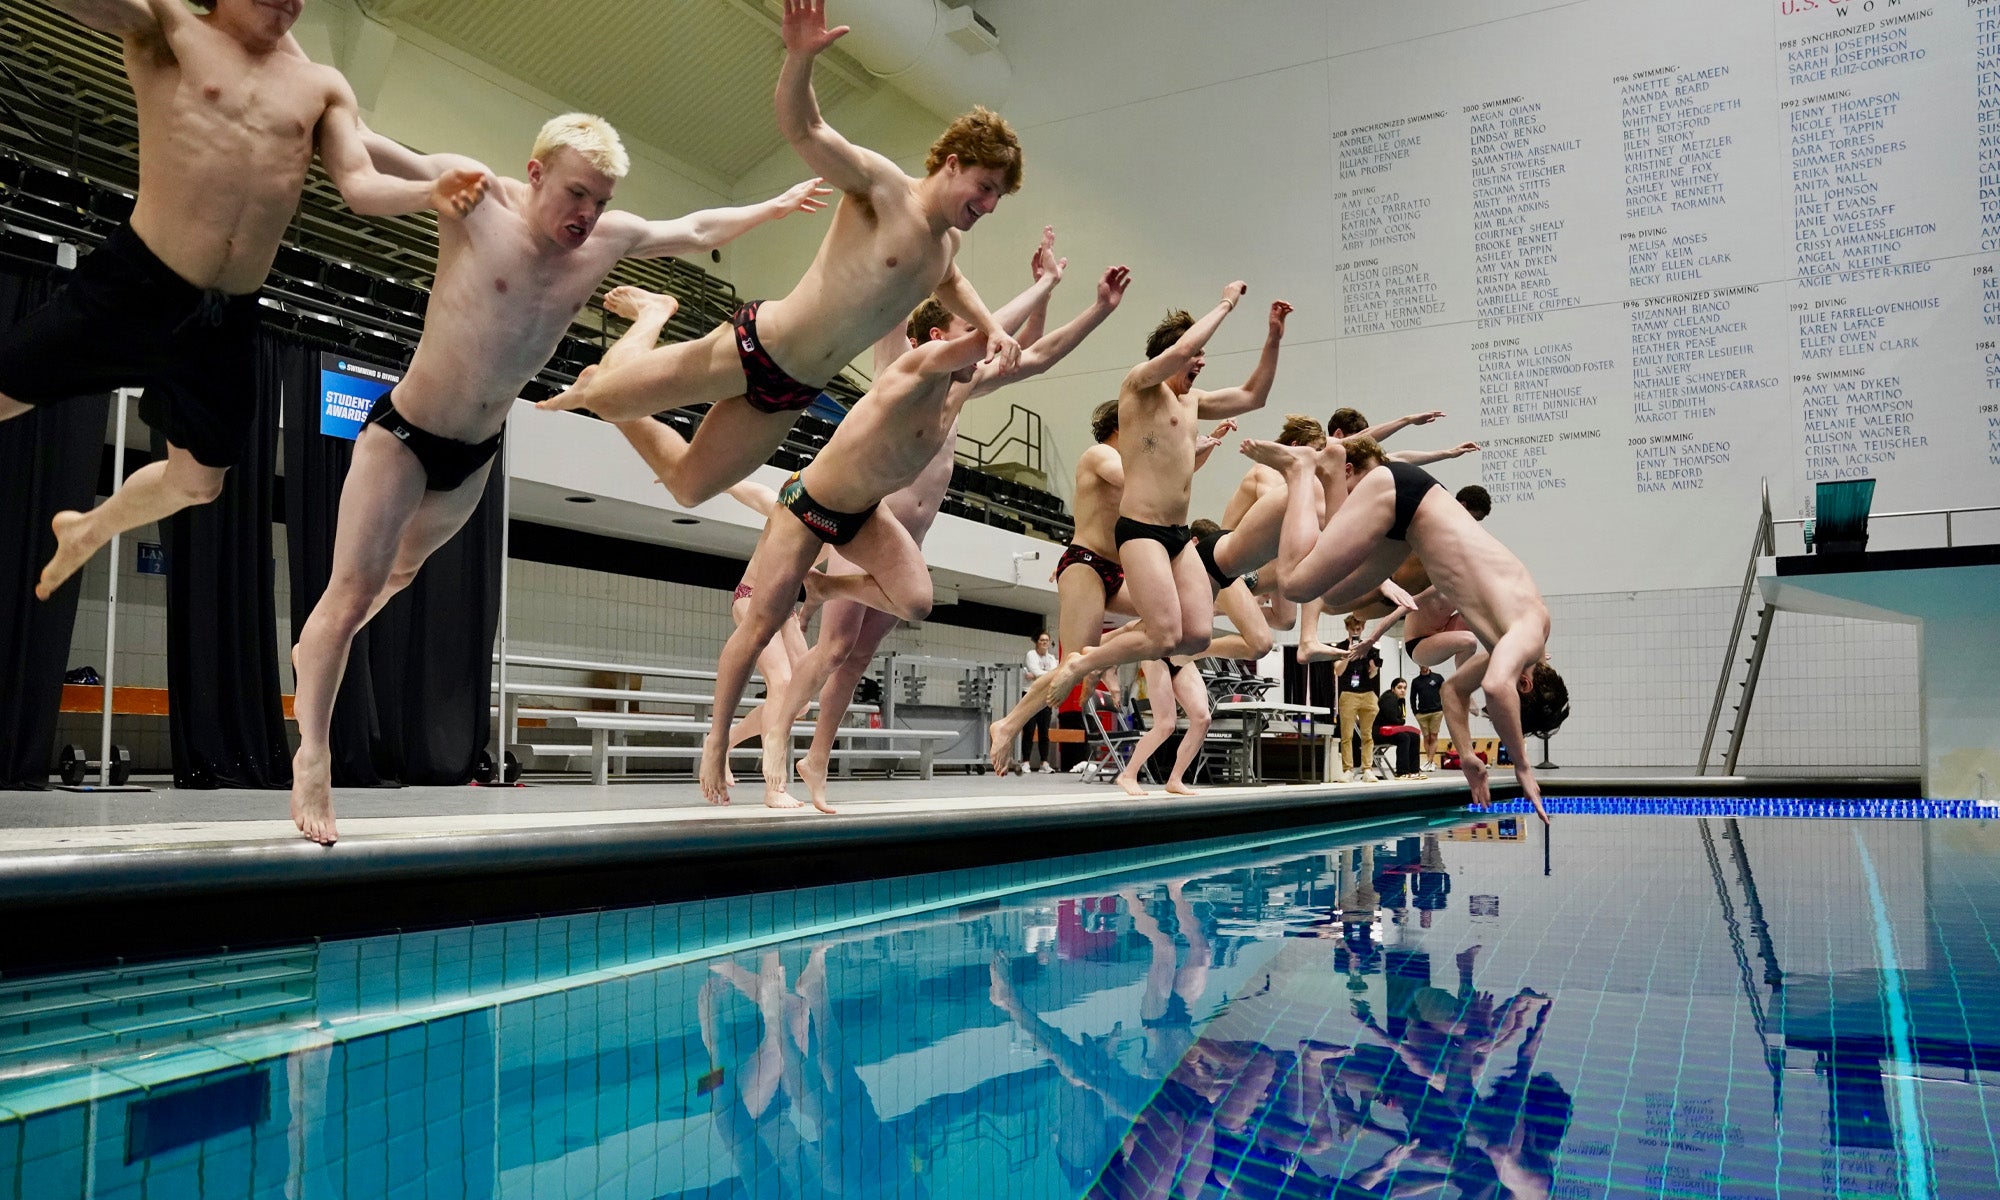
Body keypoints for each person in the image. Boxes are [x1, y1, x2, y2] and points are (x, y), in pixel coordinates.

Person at [287, 114, 830, 843]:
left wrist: (770, 208)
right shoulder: (477, 196)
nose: (588, 215)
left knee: (403, 573)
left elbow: (698, 227)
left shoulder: (607, 237)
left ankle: (320, 645)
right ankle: (313, 758)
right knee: (349, 594)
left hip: (476, 454)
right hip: (405, 437)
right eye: (577, 194)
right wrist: (325, 108)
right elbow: (371, 146)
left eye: (601, 200)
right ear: (536, 173)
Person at [1, 0, 488, 603]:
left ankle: (90, 529)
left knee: (200, 482)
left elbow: (359, 185)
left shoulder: (321, 85)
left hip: (225, 318)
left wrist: (427, 192)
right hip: (136, 285)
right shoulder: (170, 25)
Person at [535, 0, 1024, 509]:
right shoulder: (883, 188)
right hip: (758, 346)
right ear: (952, 164)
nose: (988, 205)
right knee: (603, 399)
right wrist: (800, 58)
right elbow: (805, 128)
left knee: (689, 487)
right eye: (984, 187)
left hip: (797, 389)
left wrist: (992, 328)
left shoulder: (947, 246)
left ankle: (606, 386)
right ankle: (651, 317)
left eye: (998, 197)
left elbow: (953, 283)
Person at [703, 254, 1077, 807]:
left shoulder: (955, 392)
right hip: (828, 504)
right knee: (807, 641)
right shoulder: (900, 363)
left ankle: (814, 755)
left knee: (871, 640)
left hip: (878, 528)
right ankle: (743, 740)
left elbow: (1029, 352)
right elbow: (968, 326)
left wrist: (1066, 296)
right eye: (966, 329)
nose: (979, 339)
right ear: (934, 336)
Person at [990, 288, 1292, 772]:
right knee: (1084, 661)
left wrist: (1273, 337)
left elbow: (1254, 396)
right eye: (1196, 357)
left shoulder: (1190, 404)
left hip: (1168, 539)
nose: (1200, 366)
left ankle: (1114, 645)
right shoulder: (1133, 397)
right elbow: (1141, 471)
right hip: (1101, 556)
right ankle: (1010, 724)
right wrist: (1225, 306)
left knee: (1190, 636)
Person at [1241, 436, 1569, 821]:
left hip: (1410, 522)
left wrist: (1465, 755)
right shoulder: (1532, 634)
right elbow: (1497, 689)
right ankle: (1300, 472)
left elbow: (1453, 690)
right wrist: (1522, 764)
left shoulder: (1510, 650)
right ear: (1525, 685)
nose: (1497, 721)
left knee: (1332, 598)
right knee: (1297, 585)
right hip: (1406, 497)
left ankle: (1331, 474)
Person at [1115, 658, 1212, 796]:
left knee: (1203, 720)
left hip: (1182, 651)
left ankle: (1175, 779)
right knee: (1165, 725)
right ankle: (1128, 774)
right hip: (1157, 654)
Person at [1333, 613, 1382, 781]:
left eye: (1359, 628)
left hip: (1367, 693)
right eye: (1353, 628)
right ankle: (1348, 770)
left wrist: (1373, 666)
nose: (1356, 631)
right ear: (1347, 628)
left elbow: (1373, 674)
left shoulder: (1368, 648)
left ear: (1363, 628)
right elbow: (1338, 671)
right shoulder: (1340, 647)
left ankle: (1367, 769)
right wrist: (1348, 654)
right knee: (1347, 735)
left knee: (1367, 734)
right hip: (1348, 694)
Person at [1020, 631, 1059, 774]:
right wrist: (1045, 674)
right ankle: (1025, 762)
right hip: (1030, 694)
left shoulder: (1051, 658)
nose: (1045, 643)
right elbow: (1037, 671)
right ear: (1037, 642)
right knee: (1029, 729)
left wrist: (1037, 675)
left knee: (1044, 731)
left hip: (1045, 696)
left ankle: (1044, 763)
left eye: (1047, 640)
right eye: (1042, 640)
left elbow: (1055, 673)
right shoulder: (1031, 654)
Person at [1376, 678, 1425, 778]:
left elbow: (1399, 720)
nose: (1403, 690)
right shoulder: (1388, 699)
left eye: (1405, 688)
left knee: (1415, 736)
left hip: (1389, 731)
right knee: (1404, 737)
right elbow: (1394, 719)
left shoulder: (1400, 700)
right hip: (1378, 732)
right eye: (1399, 688)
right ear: (1393, 689)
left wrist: (1400, 721)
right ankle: (1402, 772)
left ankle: (1414, 770)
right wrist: (1401, 721)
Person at [1410, 665, 1446, 772]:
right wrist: (1415, 712)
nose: (1423, 666)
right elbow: (1412, 697)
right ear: (1419, 665)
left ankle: (1429, 762)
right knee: (1426, 737)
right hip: (1422, 713)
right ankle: (1429, 762)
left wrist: (1444, 707)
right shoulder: (1416, 681)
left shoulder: (1438, 677)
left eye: (1425, 664)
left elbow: (1445, 692)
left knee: (1433, 736)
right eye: (1421, 664)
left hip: (1436, 712)